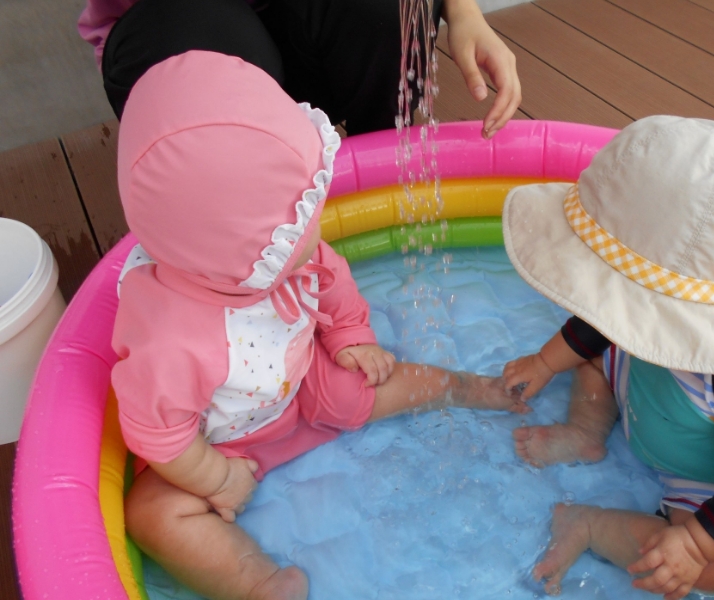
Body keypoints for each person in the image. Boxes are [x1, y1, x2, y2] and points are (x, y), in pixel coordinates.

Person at [112, 51, 526, 600]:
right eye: (302, 222)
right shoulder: (170, 340)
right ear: (248, 249)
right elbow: (158, 436)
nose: (319, 223)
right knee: (152, 516)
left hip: (310, 383)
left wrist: (350, 336)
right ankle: (256, 582)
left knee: (379, 378)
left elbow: (334, 284)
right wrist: (214, 478)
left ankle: (464, 387)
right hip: (228, 445)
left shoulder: (289, 255)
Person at [500, 116, 714, 599]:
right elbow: (602, 319)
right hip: (635, 383)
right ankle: (586, 430)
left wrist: (696, 546)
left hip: (700, 472)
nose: (615, 303)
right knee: (592, 359)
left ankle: (589, 525)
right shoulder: (629, 308)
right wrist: (546, 362)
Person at [78, 0, 521, 137]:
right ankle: (250, 217)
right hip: (177, 32)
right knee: (220, 49)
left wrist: (464, 13)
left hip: (302, 32)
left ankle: (383, 163)